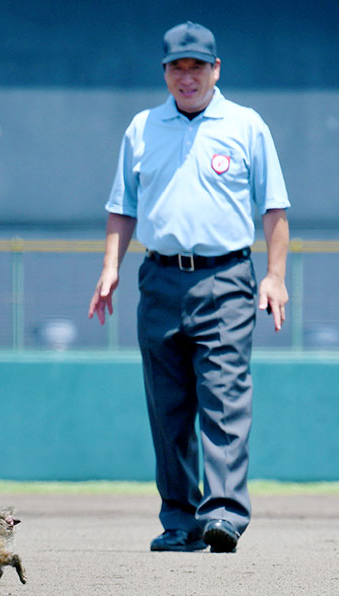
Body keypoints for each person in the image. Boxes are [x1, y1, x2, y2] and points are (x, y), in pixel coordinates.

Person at [88, 21, 290, 553]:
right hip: (158, 279)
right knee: (168, 407)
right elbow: (122, 207)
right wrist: (111, 267)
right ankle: (179, 519)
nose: (187, 76)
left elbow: (274, 207)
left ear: (215, 69)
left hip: (225, 277)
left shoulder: (246, 126)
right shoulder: (142, 128)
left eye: (197, 66)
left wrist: (274, 276)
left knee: (223, 397)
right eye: (177, 67)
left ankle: (222, 513)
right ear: (165, 73)